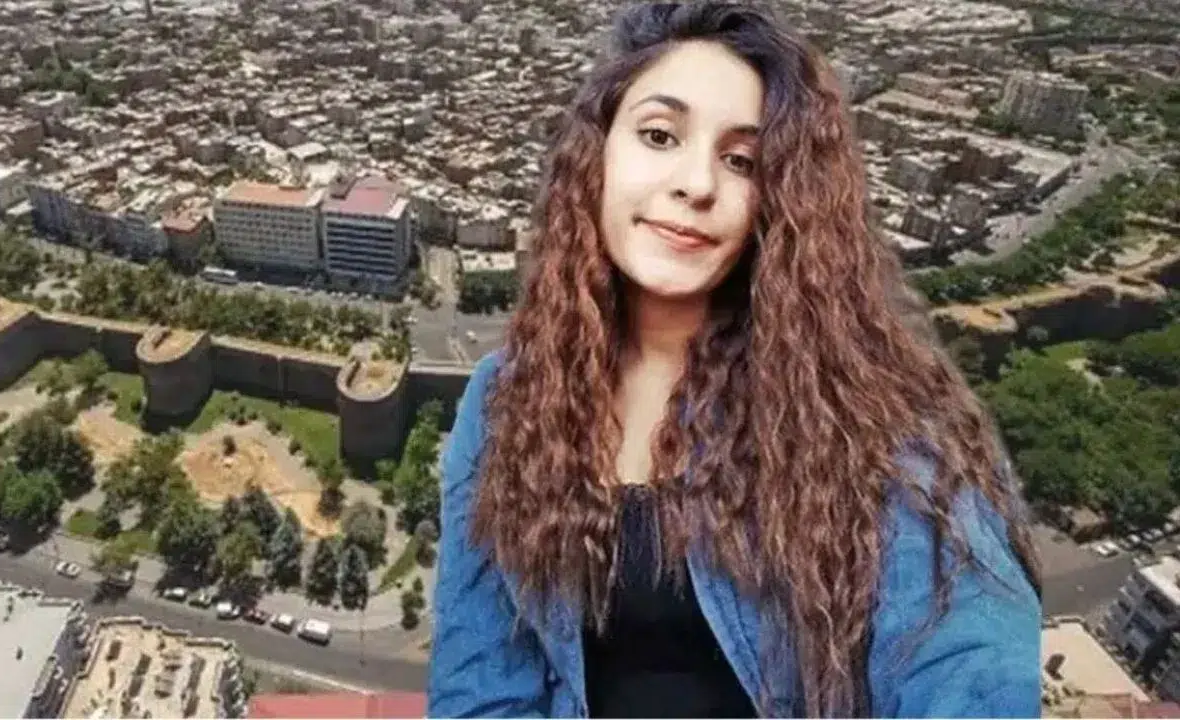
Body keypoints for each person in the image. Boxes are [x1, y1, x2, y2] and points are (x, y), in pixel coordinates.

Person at [428, 2, 1041, 718]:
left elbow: (973, 665)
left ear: (778, 201)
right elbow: (482, 687)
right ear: (597, 155)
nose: (697, 184)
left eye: (742, 161)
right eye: (660, 135)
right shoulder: (507, 399)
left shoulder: (869, 412)